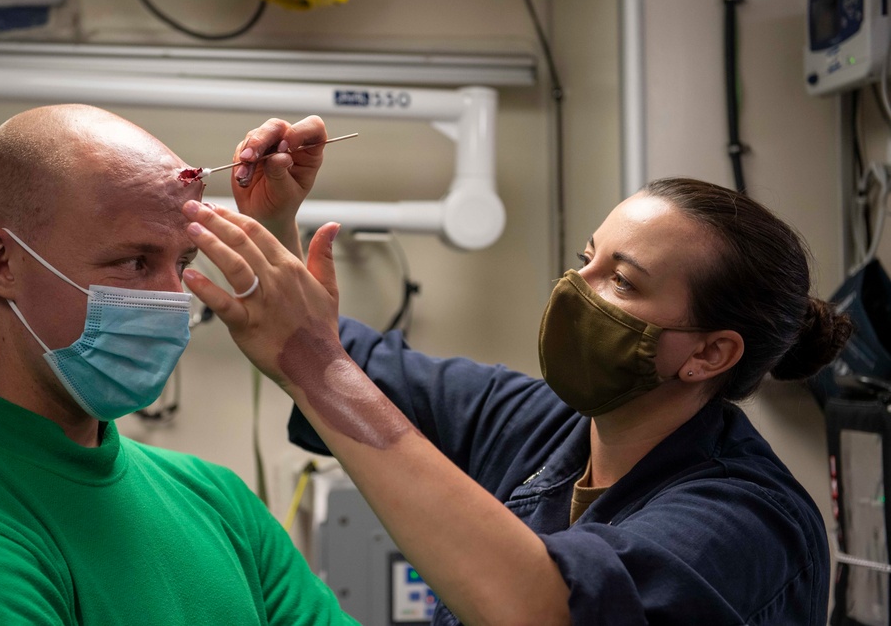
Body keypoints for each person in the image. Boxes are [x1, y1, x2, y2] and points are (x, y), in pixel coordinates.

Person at [180, 116, 853, 626]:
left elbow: (543, 606)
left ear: (710, 353)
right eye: (587, 259)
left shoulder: (749, 521)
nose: (576, 288)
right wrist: (274, 229)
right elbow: (351, 367)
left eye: (621, 280)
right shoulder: (543, 425)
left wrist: (316, 364)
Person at [0, 105, 358, 625]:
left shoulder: (216, 500)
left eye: (183, 263)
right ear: (0, 262)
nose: (173, 301)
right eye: (134, 262)